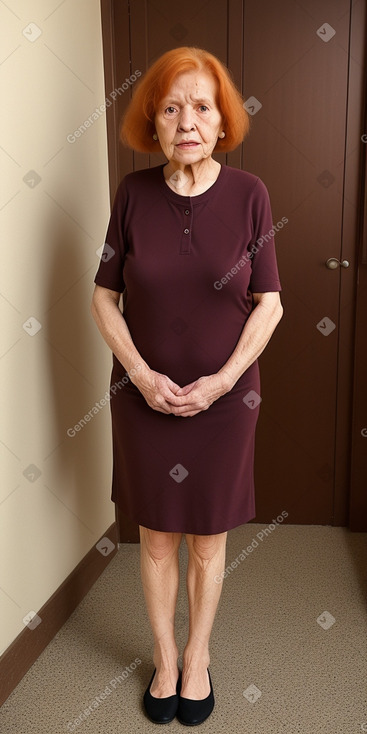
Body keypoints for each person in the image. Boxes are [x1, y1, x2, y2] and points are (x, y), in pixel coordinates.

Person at [91, 46, 283, 726]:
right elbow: (103, 296)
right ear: (153, 121)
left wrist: (223, 382)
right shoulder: (132, 195)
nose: (186, 121)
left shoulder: (249, 195)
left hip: (226, 404)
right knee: (156, 538)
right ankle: (164, 657)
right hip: (143, 400)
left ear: (222, 119)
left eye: (200, 106)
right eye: (170, 108)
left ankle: (198, 656)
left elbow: (269, 303)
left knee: (206, 538)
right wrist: (140, 375)